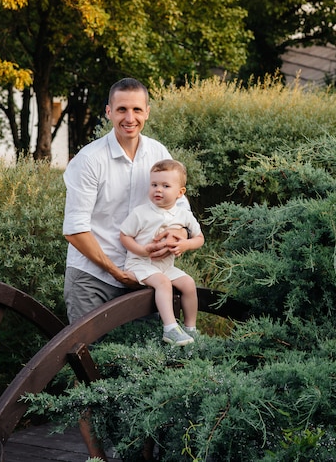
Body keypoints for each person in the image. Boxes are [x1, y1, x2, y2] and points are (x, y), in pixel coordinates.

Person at [62, 77, 190, 460]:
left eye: (137, 109)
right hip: (94, 277)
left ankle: (140, 455)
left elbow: (176, 210)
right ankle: (98, 458)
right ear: (108, 112)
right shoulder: (90, 159)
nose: (129, 117)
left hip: (144, 275)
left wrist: (177, 238)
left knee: (146, 367)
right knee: (89, 373)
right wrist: (116, 271)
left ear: (147, 113)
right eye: (121, 109)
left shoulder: (157, 152)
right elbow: (75, 230)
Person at [120, 159, 204, 346]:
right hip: (140, 265)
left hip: (165, 267)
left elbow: (199, 238)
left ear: (180, 193)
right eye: (154, 185)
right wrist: (142, 250)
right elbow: (124, 236)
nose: (158, 190)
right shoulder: (140, 213)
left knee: (188, 283)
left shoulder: (184, 215)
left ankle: (190, 328)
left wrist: (185, 245)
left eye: (166, 186)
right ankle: (170, 328)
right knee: (163, 283)